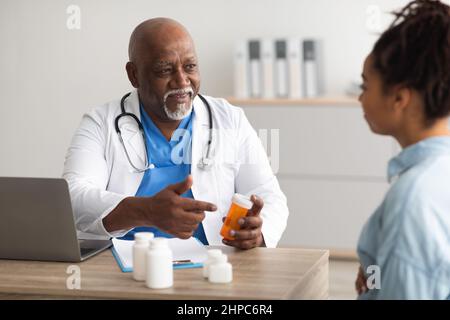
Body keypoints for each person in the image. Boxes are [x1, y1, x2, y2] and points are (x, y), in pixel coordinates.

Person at [62, 18, 289, 249]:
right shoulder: (101, 123)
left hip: (212, 263)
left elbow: (268, 196)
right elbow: (72, 196)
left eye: (190, 67)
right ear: (134, 75)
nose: (182, 81)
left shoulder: (229, 118)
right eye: (164, 70)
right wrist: (146, 212)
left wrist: (258, 232)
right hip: (124, 265)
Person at [355, 0, 450, 299]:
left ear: (399, 98)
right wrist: (380, 269)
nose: (360, 99)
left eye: (365, 86)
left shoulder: (412, 198)